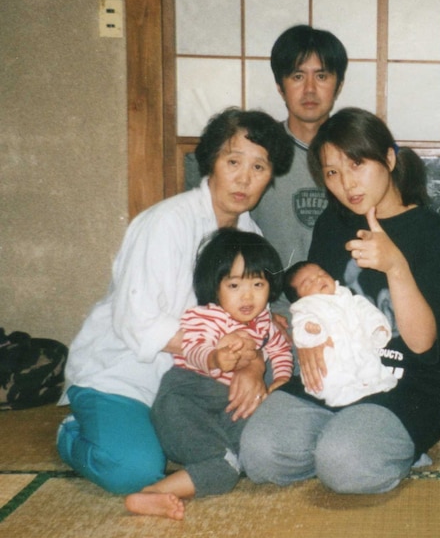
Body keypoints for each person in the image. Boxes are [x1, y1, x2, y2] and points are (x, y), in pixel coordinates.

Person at [57, 107, 292, 497]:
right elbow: (139, 322)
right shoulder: (166, 223)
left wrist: (252, 362)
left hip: (193, 383)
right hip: (126, 374)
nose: (244, 179)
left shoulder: (249, 233)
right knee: (134, 470)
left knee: (264, 450)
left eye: (259, 168)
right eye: (233, 161)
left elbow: (254, 321)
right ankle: (71, 429)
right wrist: (229, 353)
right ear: (211, 162)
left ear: (269, 178)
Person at [240, 107, 440, 494]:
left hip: (405, 384)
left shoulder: (433, 234)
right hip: (334, 376)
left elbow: (422, 343)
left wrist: (396, 266)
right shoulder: (333, 223)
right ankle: (349, 438)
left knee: (345, 462)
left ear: (390, 159)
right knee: (259, 453)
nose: (347, 184)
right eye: (332, 172)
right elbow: (314, 299)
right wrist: (307, 336)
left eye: (357, 164)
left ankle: (382, 446)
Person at [125, 228, 293, 519]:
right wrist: (215, 357)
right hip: (186, 397)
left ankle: (184, 478)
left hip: (227, 408)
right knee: (223, 466)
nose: (247, 296)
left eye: (257, 284)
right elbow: (192, 349)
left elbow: (280, 351)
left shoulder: (266, 321)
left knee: (254, 453)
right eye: (234, 286)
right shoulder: (206, 316)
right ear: (215, 287)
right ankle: (153, 493)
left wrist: (281, 380)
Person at [251, 24, 349, 273]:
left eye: (322, 76)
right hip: (266, 306)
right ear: (280, 87)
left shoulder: (356, 154)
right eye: (297, 76)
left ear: (338, 86)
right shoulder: (257, 152)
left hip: (344, 306)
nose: (309, 89)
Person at [284, 260, 397, 407]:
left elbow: (368, 313)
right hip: (330, 359)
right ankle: (339, 396)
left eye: (322, 274)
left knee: (370, 367)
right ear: (299, 298)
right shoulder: (305, 309)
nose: (318, 279)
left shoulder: (351, 298)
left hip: (358, 349)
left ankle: (374, 384)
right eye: (308, 283)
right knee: (332, 377)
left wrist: (377, 328)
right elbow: (300, 330)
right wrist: (310, 330)